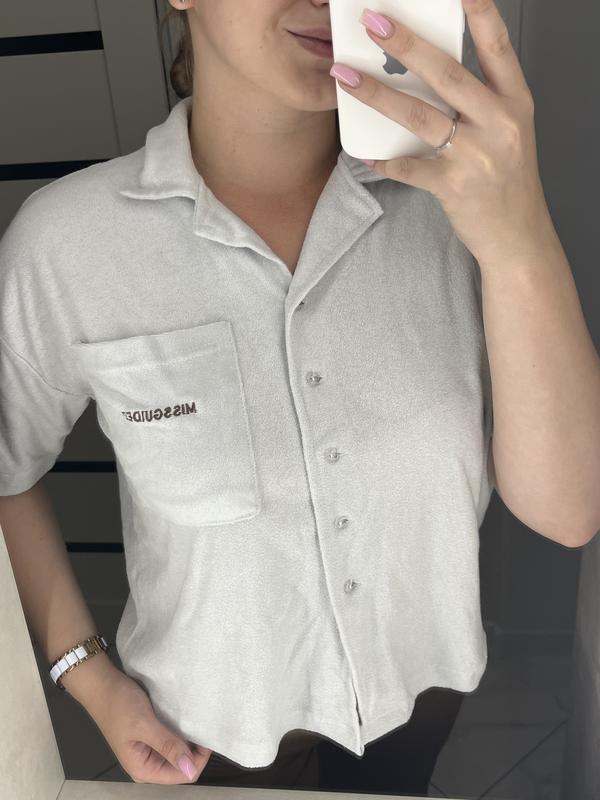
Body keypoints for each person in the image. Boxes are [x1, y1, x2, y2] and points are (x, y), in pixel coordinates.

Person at [0, 0, 493, 792]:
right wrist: (85, 674)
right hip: (208, 736)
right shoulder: (66, 246)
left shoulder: (457, 212)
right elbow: (6, 468)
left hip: (422, 693)